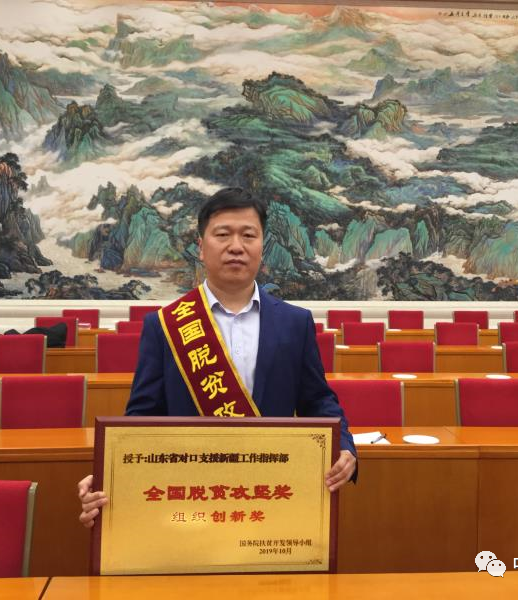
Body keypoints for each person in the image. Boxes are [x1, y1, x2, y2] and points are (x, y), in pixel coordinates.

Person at [78, 187, 356, 527]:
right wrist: (110, 475)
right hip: (191, 498)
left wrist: (344, 446)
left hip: (268, 496)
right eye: (223, 234)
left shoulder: (295, 323)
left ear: (263, 246)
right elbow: (142, 419)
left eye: (248, 235)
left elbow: (317, 400)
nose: (236, 246)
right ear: (201, 246)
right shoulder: (165, 325)